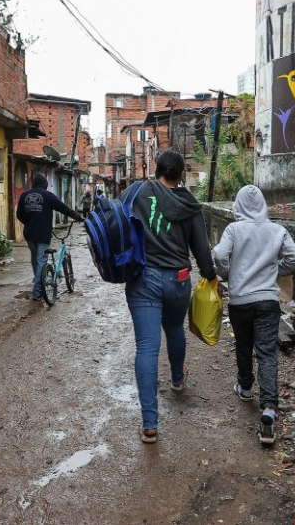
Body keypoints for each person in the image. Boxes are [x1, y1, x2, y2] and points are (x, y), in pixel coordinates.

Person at [123, 150, 217, 444]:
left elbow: (118, 220)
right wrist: (211, 276)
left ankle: (150, 424)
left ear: (156, 169)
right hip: (178, 279)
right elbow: (201, 249)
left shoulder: (136, 192)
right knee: (175, 328)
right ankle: (177, 378)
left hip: (143, 278)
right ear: (181, 174)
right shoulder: (190, 204)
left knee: (146, 347)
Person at [213, 185, 295, 445]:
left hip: (240, 301)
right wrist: (277, 271)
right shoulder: (277, 230)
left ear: (238, 205)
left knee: (243, 345)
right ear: (263, 205)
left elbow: (219, 254)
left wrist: (227, 273)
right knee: (267, 353)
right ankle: (269, 410)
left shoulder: (233, 229)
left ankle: (245, 387)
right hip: (267, 302)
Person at [16, 173, 84, 301]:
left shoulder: (24, 195)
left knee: (35, 259)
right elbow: (64, 208)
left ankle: (40, 281)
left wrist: (29, 223)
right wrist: (78, 217)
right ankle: (37, 292)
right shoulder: (48, 195)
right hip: (43, 234)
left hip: (29, 233)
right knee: (42, 260)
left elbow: (19, 214)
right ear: (45, 184)